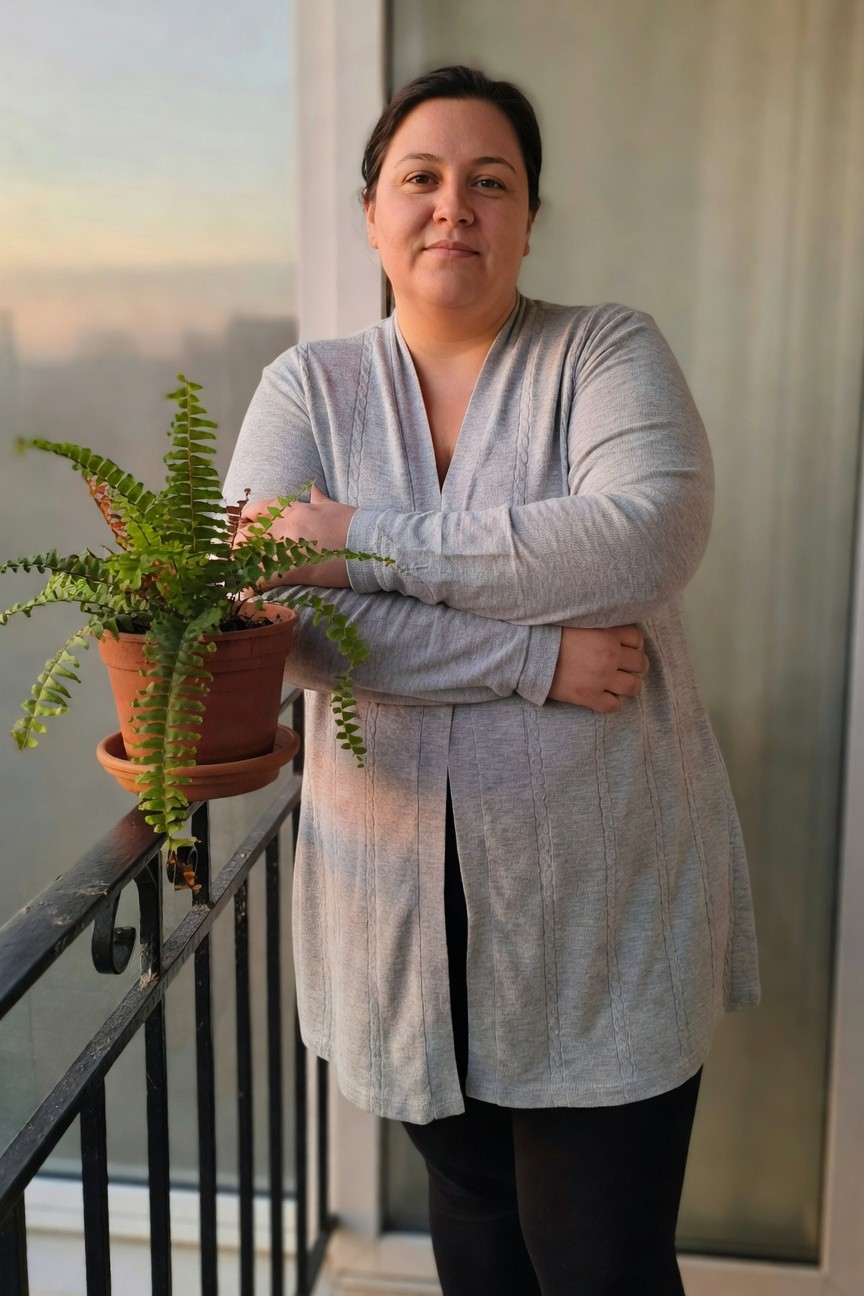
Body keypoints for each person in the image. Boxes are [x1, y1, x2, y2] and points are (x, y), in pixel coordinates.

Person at [224, 65, 760, 1296]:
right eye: (421, 178)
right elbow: (279, 624)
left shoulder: (605, 350)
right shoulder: (307, 388)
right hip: (399, 914)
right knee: (469, 1224)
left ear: (527, 216)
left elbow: (646, 537)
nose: (452, 205)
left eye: (489, 181)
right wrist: (536, 656)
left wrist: (353, 537)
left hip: (601, 903)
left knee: (601, 1260)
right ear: (373, 212)